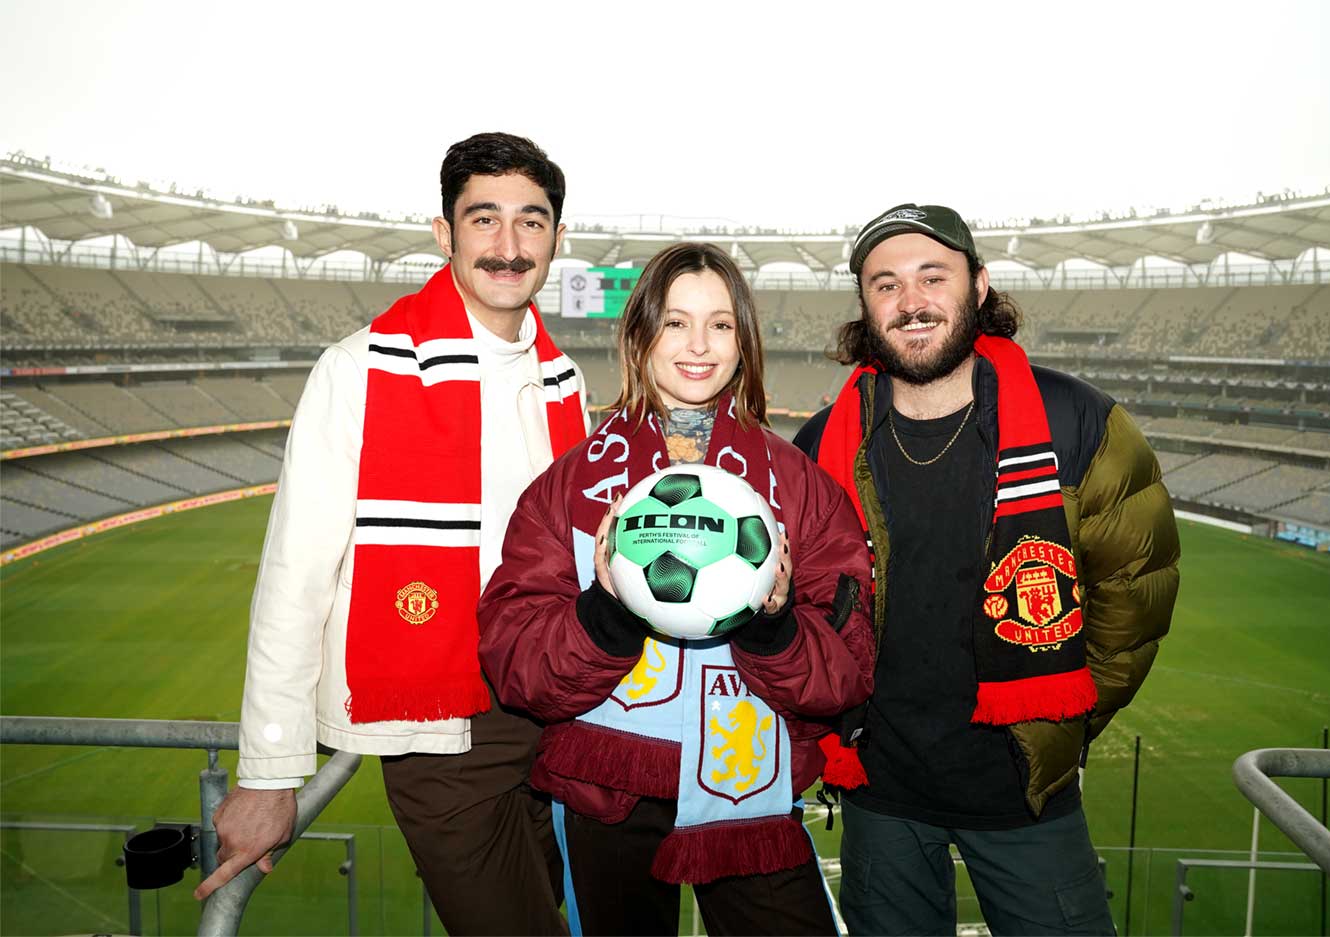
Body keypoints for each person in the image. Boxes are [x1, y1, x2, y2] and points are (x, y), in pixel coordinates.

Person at [194, 132, 589, 936]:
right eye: (485, 220)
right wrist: (270, 773)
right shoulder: (359, 368)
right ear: (445, 234)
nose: (509, 247)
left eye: (532, 222)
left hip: (556, 711)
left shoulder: (563, 379)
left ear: (555, 236)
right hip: (443, 735)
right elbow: (295, 573)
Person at [793, 204, 1180, 936]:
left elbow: (1135, 595)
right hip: (883, 792)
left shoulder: (1080, 421)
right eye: (885, 284)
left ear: (979, 287)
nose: (910, 301)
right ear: (866, 307)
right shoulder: (823, 443)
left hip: (1024, 794)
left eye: (932, 276)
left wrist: (1056, 720)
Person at [477, 242, 875, 937]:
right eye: (675, 323)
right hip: (609, 790)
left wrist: (773, 627)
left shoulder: (801, 487)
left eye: (720, 324)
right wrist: (603, 614)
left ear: (744, 341)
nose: (699, 345)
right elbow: (515, 664)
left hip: (750, 795)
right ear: (639, 336)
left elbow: (848, 669)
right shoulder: (569, 486)